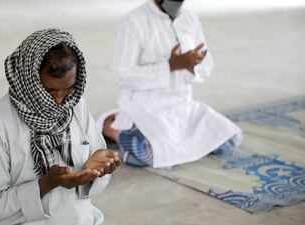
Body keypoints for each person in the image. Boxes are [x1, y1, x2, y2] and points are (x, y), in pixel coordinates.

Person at [0, 29, 121, 225]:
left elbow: (91, 179)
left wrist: (95, 170)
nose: (59, 100)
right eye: (49, 90)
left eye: (68, 89)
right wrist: (46, 183)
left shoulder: (75, 104)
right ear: (28, 79)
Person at [100, 0, 243, 168]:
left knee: (229, 139)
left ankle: (133, 131)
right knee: (148, 155)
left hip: (182, 107)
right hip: (146, 109)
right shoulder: (132, 22)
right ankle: (111, 128)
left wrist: (192, 65)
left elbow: (207, 65)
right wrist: (170, 66)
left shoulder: (190, 19)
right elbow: (121, 75)